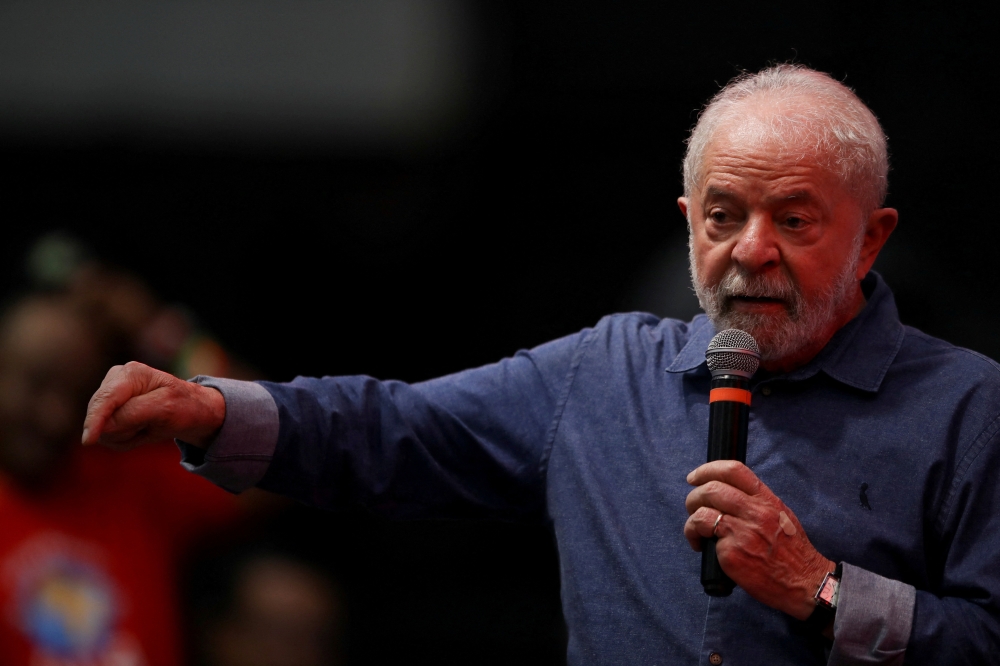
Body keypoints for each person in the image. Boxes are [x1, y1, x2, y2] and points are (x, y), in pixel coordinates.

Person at [81, 64, 1000, 664]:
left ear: (871, 241)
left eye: (794, 220)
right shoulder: (602, 376)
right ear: (689, 225)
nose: (751, 250)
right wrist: (212, 411)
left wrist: (824, 590)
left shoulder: (968, 409)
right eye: (723, 216)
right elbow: (397, 429)